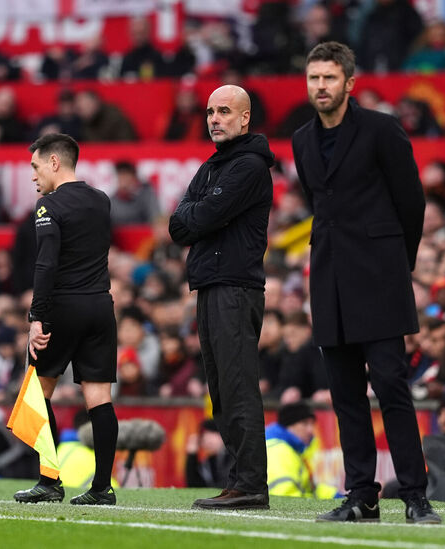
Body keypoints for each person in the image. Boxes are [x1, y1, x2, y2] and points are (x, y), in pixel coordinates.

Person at [291, 42, 440, 524]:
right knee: (345, 394)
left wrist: (401, 263)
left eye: (329, 78)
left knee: (393, 387)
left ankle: (415, 495)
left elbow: (411, 203)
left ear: (349, 83)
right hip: (329, 279)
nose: (320, 87)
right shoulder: (301, 140)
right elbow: (320, 204)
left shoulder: (381, 129)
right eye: (314, 78)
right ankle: (362, 495)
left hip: (379, 278)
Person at [168, 84, 273, 510]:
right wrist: (198, 215)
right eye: (211, 111)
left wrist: (198, 215)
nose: (214, 118)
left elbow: (201, 215)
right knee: (221, 391)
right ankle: (238, 481)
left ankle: (251, 484)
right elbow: (177, 226)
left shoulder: (247, 166)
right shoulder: (213, 167)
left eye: (225, 111)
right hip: (211, 284)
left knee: (237, 386)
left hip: (235, 286)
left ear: (245, 118)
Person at [13, 133, 118, 506]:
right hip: (101, 307)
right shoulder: (101, 200)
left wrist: (36, 317)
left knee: (38, 395)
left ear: (55, 162)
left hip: (63, 309)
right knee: (99, 398)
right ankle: (102, 488)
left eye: (36, 166)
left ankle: (49, 481)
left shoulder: (48, 207)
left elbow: (46, 264)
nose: (33, 176)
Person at [265, 401, 339, 499]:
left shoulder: (292, 449)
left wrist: (335, 495)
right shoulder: (279, 452)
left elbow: (311, 489)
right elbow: (285, 497)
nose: (310, 430)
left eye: (312, 424)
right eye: (304, 424)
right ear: (289, 426)